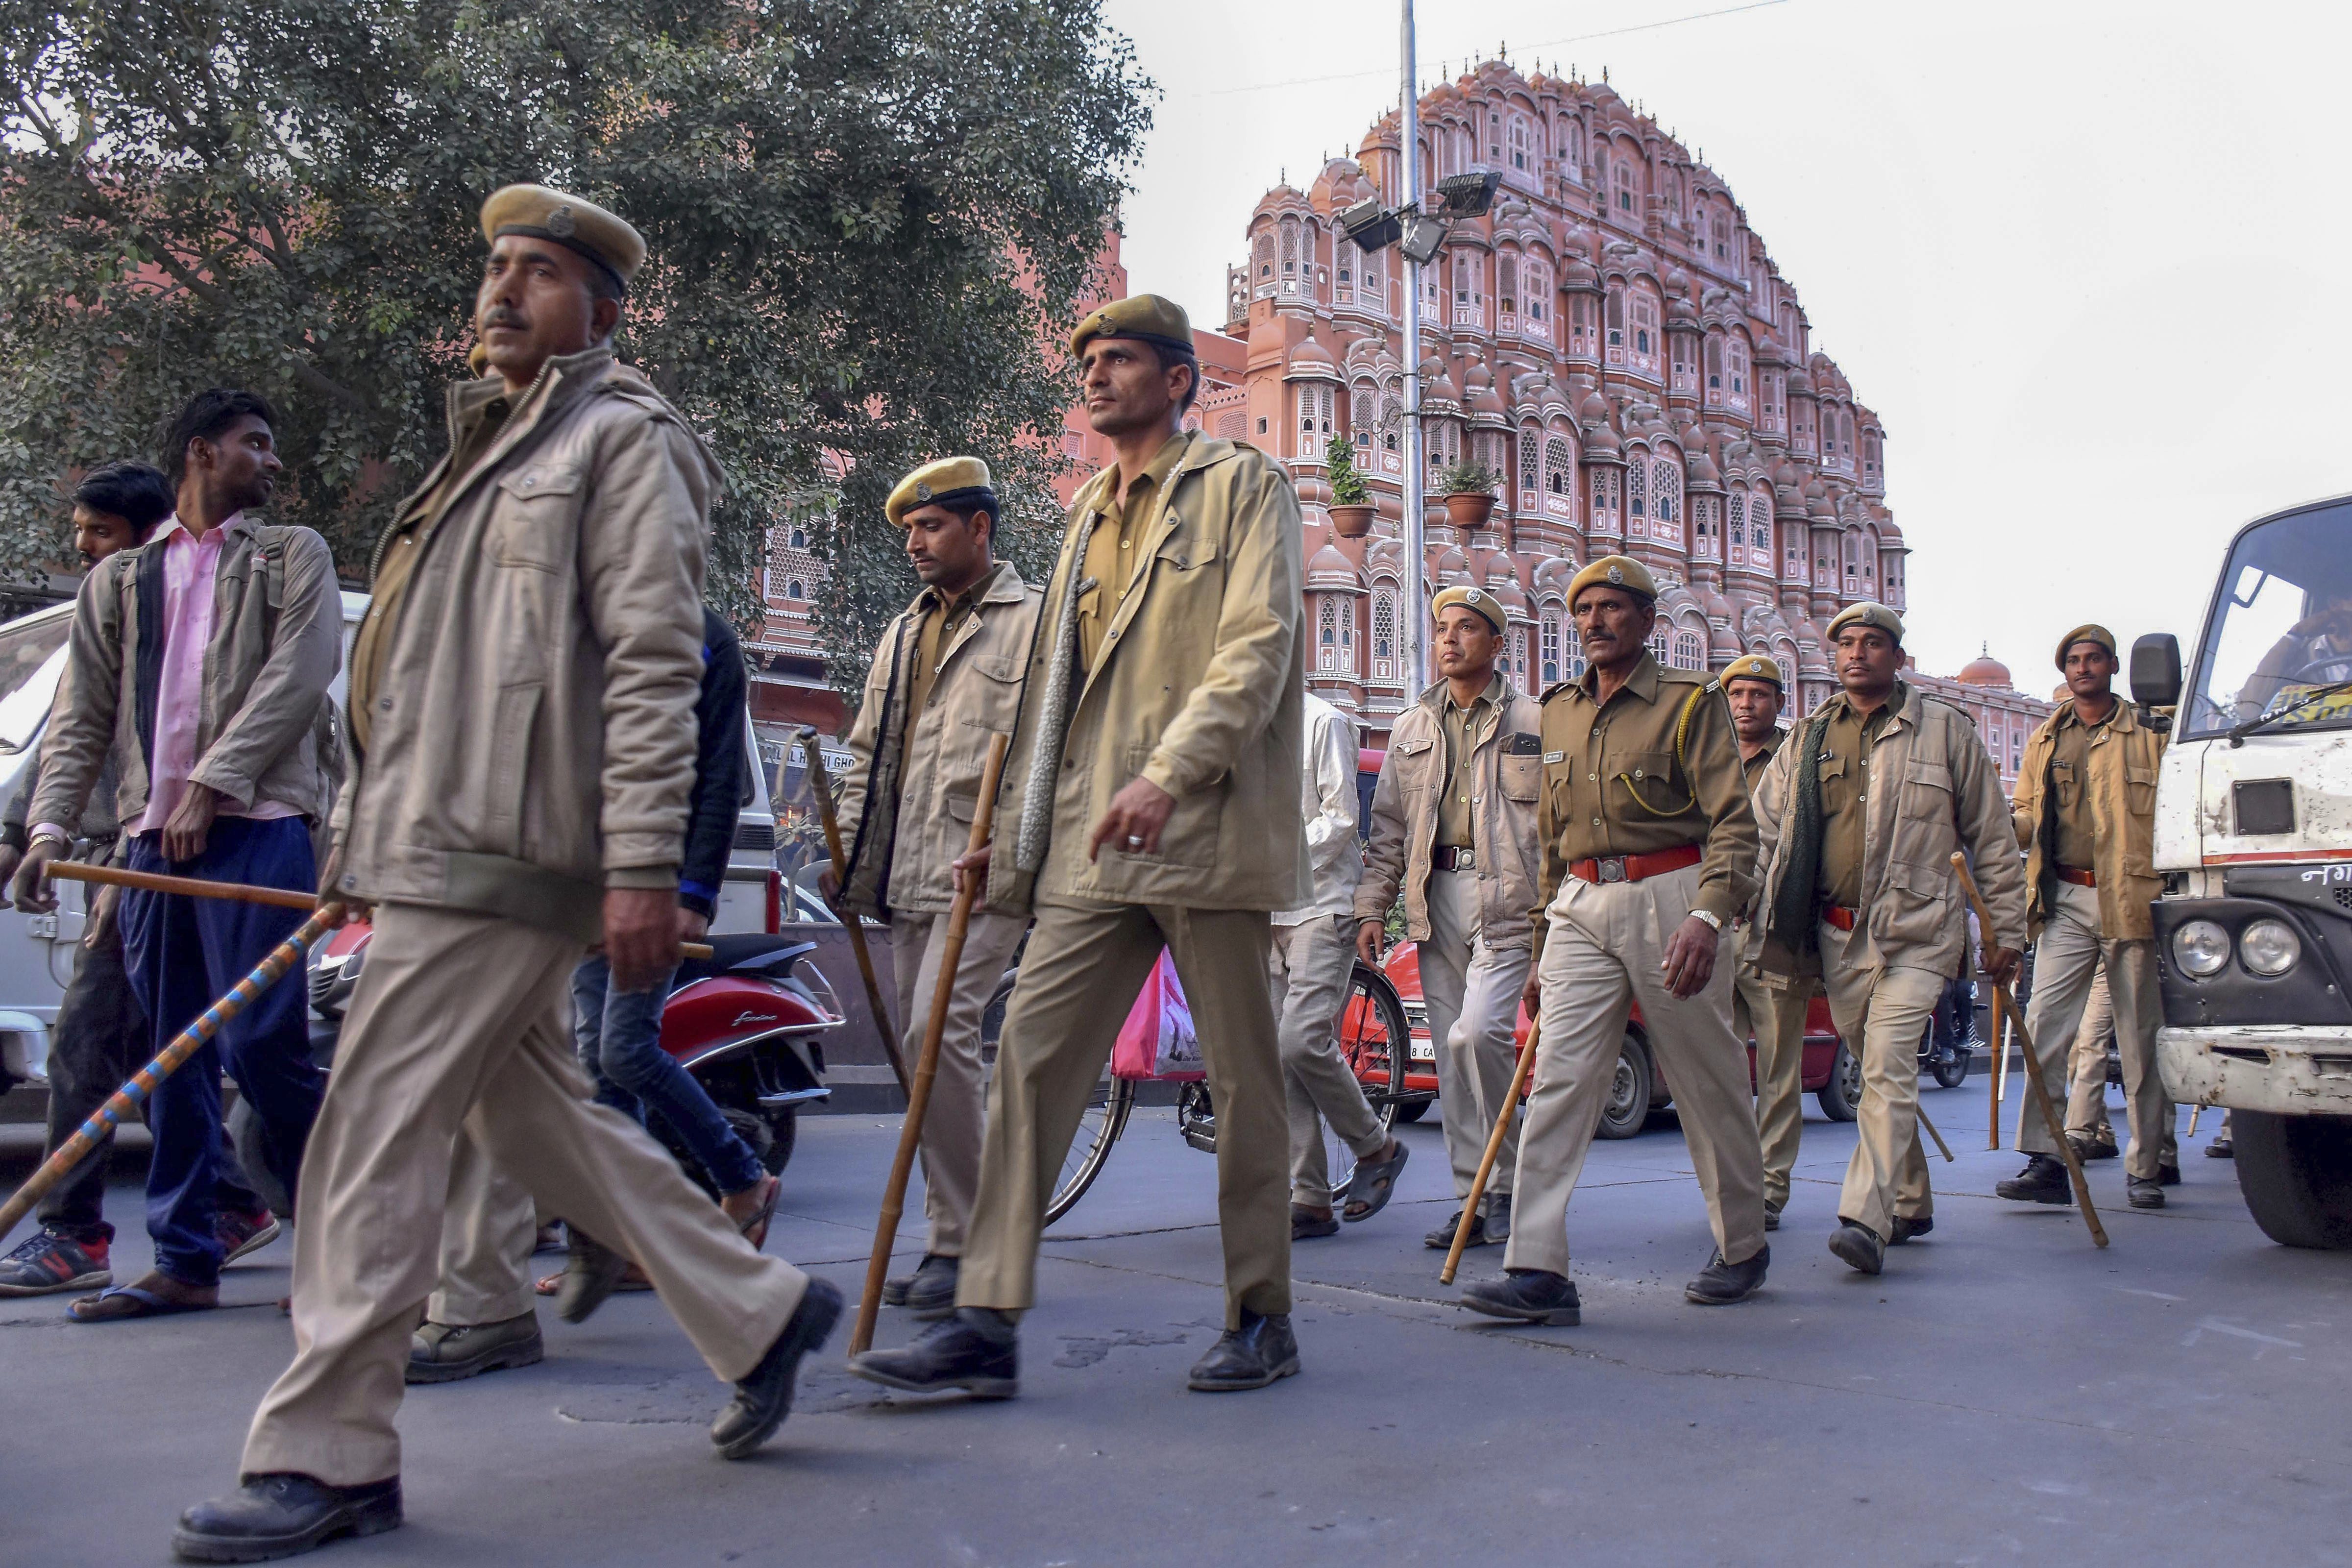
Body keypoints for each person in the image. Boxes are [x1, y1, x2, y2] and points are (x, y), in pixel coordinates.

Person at [173, 186, 835, 1562]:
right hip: (437, 840)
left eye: (537, 273)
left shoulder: (623, 441)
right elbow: (411, 682)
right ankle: (760, 1310)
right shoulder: (480, 449)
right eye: (495, 269)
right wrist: (361, 844)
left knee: (366, 1133)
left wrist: (648, 865)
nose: (501, 292)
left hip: (514, 848)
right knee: (531, 1115)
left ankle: (328, 1450)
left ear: (601, 308)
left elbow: (658, 664)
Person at [847, 293, 1307, 1398]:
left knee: (1245, 1082)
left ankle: (1262, 1313)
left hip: (1205, 827)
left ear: (1181, 381)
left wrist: (1171, 771)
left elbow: (1259, 645)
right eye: (1089, 362)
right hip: (1094, 845)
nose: (1096, 378)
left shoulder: (1246, 487)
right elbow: (1051, 695)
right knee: (1032, 1056)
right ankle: (987, 1316)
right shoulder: (1087, 515)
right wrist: (1008, 845)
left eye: (1120, 361)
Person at [17, 394, 341, 1324]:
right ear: (202, 452)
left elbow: (300, 673)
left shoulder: (291, 555)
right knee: (170, 1057)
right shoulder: (119, 583)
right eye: (256, 445)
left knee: (262, 1045)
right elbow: (81, 721)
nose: (271, 462)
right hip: (147, 843)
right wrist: (44, 831)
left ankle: (335, 1247)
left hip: (258, 829)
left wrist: (214, 781)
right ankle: (183, 1257)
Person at [406, 604, 780, 1384]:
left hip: (659, 885)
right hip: (582, 883)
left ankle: (740, 1179)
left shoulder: (706, 638)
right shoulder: (577, 628)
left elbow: (716, 780)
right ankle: (624, 1237)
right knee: (593, 1061)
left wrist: (693, 893)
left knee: (623, 1049)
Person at [1459, 556, 1769, 1326]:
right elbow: (1549, 839)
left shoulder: (1691, 703)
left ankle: (1742, 1244)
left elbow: (1735, 825)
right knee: (1560, 1081)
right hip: (1580, 903)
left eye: (1611, 608)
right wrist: (1539, 948)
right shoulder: (1557, 711)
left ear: (1645, 620)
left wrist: (1709, 916)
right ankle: (1537, 1268)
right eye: (1584, 611)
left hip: (1673, 898)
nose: (1594, 623)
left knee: (1708, 1079)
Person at [1749, 603, 2027, 1276]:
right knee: (1879, 1070)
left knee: (1886, 1066)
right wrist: (1730, 910)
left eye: (1874, 644)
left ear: (1898, 659)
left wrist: (2008, 929)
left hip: (1919, 932)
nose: (1857, 654)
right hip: (1838, 939)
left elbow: (1992, 838)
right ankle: (1912, 1199)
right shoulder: (1809, 737)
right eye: (1846, 643)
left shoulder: (1945, 730)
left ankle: (1865, 1219)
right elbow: (1765, 836)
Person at [828, 456, 1042, 1319]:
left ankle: (964, 1243)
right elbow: (867, 749)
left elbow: (1055, 749)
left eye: (932, 526)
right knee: (921, 1051)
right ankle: (966, 1226)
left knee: (934, 1026)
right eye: (909, 530)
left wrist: (1016, 843)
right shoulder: (903, 631)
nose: (915, 543)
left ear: (979, 527)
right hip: (906, 870)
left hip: (990, 868)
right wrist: (845, 849)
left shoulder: (1035, 624)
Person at [1355, 586, 1541, 1249]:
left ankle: (1512, 1183)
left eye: (1467, 628)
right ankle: (1475, 1199)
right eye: (1441, 629)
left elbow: (1557, 829)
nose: (1450, 640)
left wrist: (1550, 922)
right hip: (1432, 901)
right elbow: (1388, 831)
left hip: (1508, 901)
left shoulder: (1534, 722)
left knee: (1474, 1037)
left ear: (1497, 643)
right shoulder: (1413, 726)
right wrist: (1372, 908)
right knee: (1453, 1059)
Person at [2002, 624, 2175, 1210]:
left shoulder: (2150, 732)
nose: (2083, 668)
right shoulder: (2047, 739)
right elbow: (2026, 815)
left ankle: (2147, 1164)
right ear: (2065, 671)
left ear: (2113, 666)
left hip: (2132, 899)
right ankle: (2046, 1158)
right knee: (2046, 1027)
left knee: (2140, 1037)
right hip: (2066, 899)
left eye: (2094, 658)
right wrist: (2000, 827)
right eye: (2074, 660)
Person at [1278, 688, 1407, 1240]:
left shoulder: (1323, 720)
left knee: (1302, 1039)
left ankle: (1376, 1146)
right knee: (1277, 1053)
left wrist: (1272, 863)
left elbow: (1339, 818)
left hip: (1320, 901)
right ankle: (1308, 1195)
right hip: (1260, 909)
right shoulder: (1238, 722)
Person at [1719, 653, 1812, 1232]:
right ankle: (1733, 1178)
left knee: (1777, 1067)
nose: (1747, 704)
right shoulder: (1711, 760)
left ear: (1780, 703)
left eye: (1759, 694)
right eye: (1737, 694)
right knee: (1718, 1063)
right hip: (1713, 929)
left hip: (1772, 929)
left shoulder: (1797, 761)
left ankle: (1771, 1185)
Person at [2063, 961, 2120, 1161]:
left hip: (2111, 954)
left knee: (2091, 1044)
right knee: (2076, 1049)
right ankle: (2100, 1133)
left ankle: (2159, 1151)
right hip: (2072, 961)